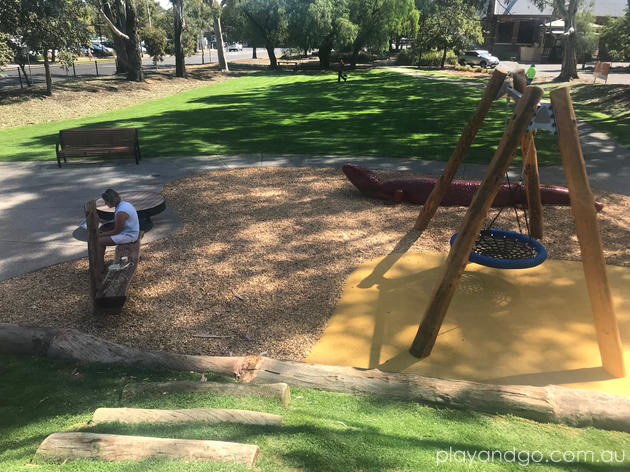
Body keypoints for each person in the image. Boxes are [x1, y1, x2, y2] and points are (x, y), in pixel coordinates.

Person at [97, 189, 140, 271]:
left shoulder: (121, 212)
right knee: (103, 232)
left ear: (111, 201)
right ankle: (100, 263)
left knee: (99, 242)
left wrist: (100, 235)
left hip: (129, 235)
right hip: (128, 231)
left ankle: (100, 267)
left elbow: (116, 231)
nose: (105, 203)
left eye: (106, 201)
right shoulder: (124, 204)